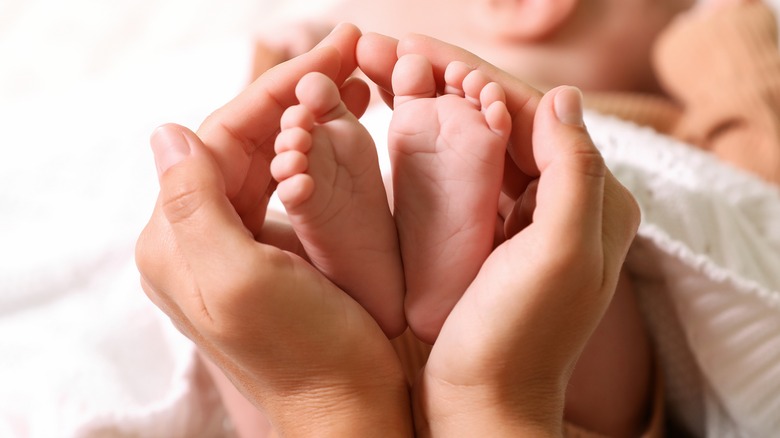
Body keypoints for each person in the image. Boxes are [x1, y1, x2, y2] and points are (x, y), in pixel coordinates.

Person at [135, 23, 643, 437]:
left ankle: (363, 284)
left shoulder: (651, 119)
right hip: (541, 399)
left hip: (321, 382)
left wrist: (324, 399)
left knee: (247, 303)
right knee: (564, 241)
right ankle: (471, 257)